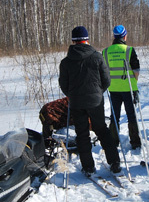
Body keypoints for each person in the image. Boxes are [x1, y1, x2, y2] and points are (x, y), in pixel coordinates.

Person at [59, 26, 121, 176]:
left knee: (82, 133)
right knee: (101, 129)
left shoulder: (66, 62)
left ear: (73, 41)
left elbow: (64, 85)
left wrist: (73, 95)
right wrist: (97, 93)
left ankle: (88, 167)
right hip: (95, 101)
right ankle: (114, 162)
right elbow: (106, 80)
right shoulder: (97, 57)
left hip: (76, 102)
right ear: (87, 39)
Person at [102, 25, 141, 150]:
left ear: (114, 36)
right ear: (125, 36)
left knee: (114, 116)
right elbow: (136, 70)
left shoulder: (105, 51)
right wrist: (134, 81)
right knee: (131, 115)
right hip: (128, 88)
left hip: (113, 89)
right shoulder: (129, 50)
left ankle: (113, 141)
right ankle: (135, 141)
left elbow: (103, 71)